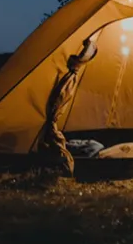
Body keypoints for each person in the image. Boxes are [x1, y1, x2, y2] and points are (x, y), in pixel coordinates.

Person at [40, 37, 98, 176]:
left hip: (88, 146)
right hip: (63, 140)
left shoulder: (65, 78)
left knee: (94, 146)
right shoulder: (63, 80)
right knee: (94, 147)